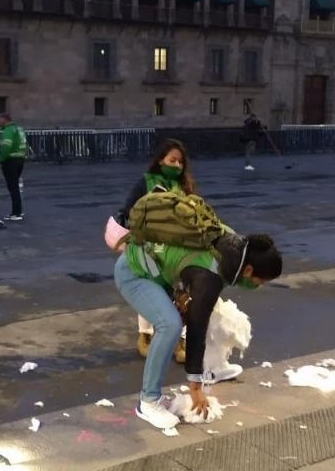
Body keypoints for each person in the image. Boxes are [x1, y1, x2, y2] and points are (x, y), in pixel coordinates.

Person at [115, 231, 283, 429]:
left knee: (218, 311)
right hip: (134, 272)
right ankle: (149, 402)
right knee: (170, 325)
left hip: (159, 270)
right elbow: (197, 327)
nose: (259, 286)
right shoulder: (210, 276)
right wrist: (195, 386)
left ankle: (213, 368)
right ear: (247, 270)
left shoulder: (234, 248)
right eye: (260, 281)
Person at [117, 139, 197, 364]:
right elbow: (127, 210)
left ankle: (181, 340)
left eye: (180, 162)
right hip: (148, 246)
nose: (177, 166)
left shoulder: (184, 186)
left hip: (178, 248)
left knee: (182, 293)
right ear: (160, 159)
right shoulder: (146, 182)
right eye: (172, 160)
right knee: (150, 289)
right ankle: (146, 335)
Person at [0, 113, 27, 221]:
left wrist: (0, 158)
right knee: (16, 187)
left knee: (12, 187)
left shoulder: (8, 131)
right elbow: (24, 144)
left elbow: (6, 147)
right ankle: (19, 210)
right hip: (20, 159)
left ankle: (16, 213)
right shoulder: (19, 129)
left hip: (10, 161)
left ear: (5, 120)